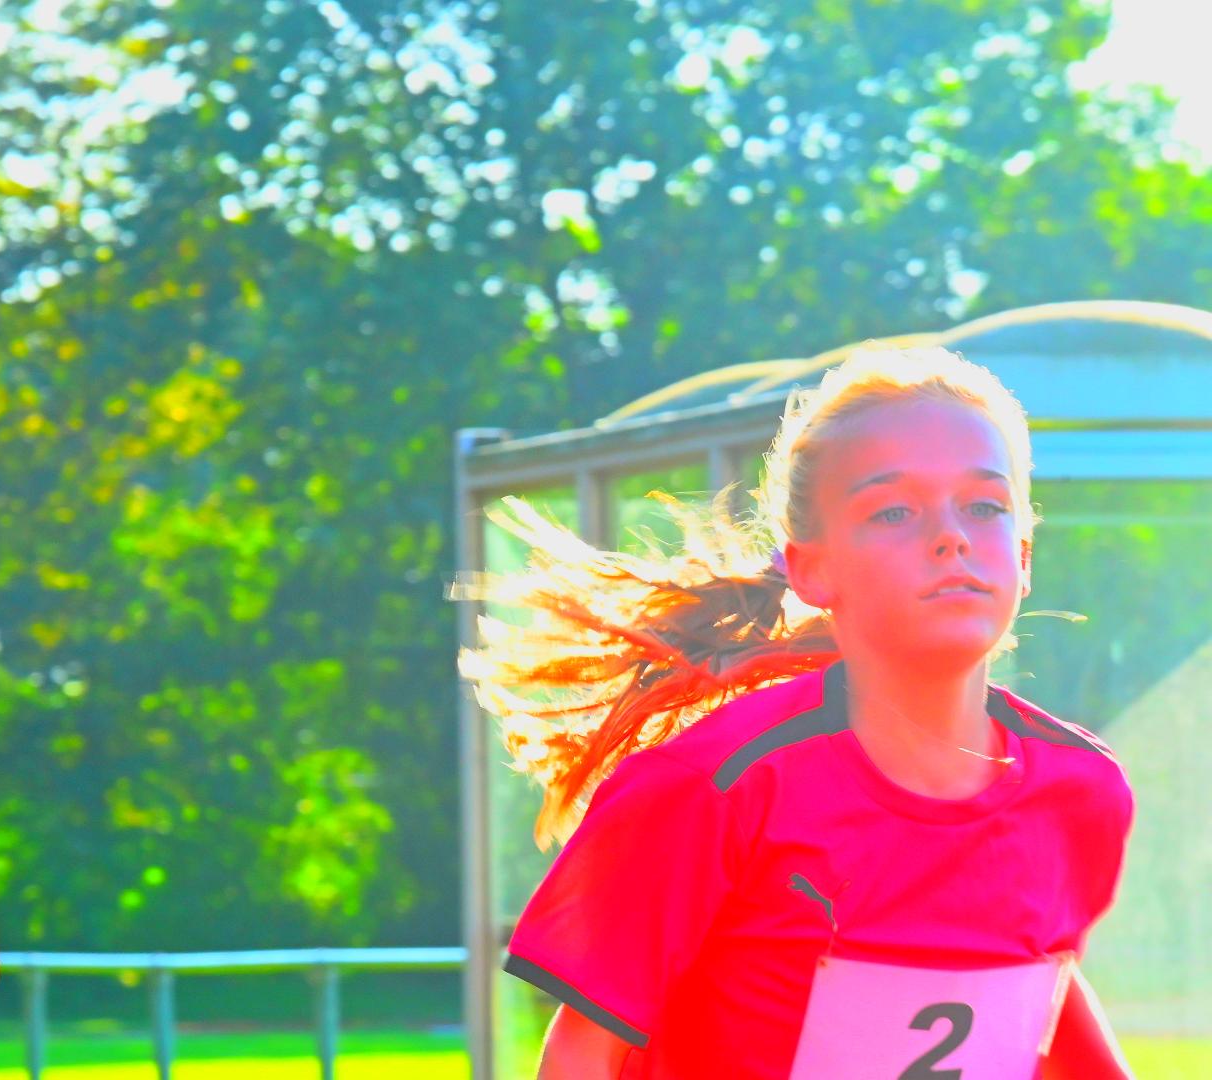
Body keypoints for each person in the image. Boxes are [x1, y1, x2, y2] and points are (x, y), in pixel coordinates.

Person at [459, 345, 1135, 1078]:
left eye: (985, 506)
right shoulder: (710, 788)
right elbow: (581, 1053)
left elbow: (1042, 983)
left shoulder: (1082, 789)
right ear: (811, 569)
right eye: (894, 510)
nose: (953, 535)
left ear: (1025, 556)